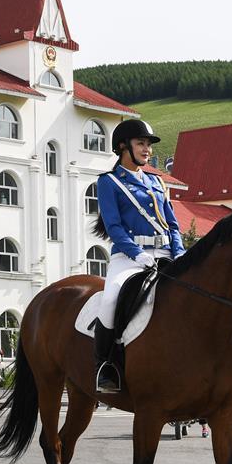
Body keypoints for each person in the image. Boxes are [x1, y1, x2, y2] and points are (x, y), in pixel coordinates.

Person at [92, 119, 185, 393]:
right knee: (110, 300)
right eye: (141, 143)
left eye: (148, 145)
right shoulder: (108, 182)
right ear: (123, 147)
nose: (147, 150)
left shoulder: (156, 182)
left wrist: (179, 252)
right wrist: (136, 254)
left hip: (166, 251)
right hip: (129, 256)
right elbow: (114, 226)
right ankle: (106, 366)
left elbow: (173, 223)